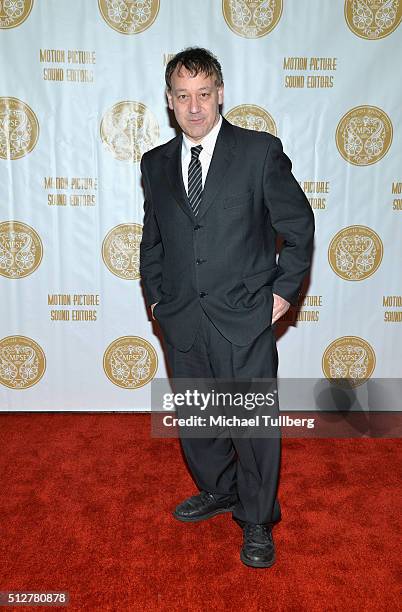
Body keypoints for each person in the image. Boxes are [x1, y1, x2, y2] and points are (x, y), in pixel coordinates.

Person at [139, 47, 314, 568]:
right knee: (197, 417)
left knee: (253, 426)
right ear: (170, 102)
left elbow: (298, 227)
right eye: (183, 96)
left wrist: (281, 294)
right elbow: (155, 240)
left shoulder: (259, 152)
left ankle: (257, 518)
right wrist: (156, 298)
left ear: (220, 94)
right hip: (182, 319)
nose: (195, 107)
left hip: (244, 316)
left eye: (204, 94)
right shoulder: (155, 164)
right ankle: (219, 490)